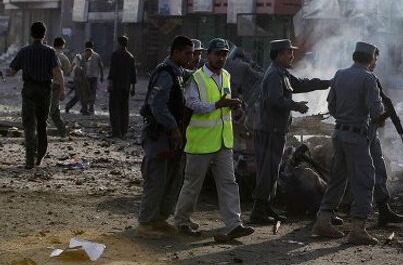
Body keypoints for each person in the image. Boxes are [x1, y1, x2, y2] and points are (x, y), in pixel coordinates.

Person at [173, 38, 255, 240]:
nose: (221, 58)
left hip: (223, 142)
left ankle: (234, 223)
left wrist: (232, 106)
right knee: (193, 185)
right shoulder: (197, 78)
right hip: (200, 144)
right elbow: (192, 104)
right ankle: (182, 221)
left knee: (229, 183)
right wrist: (217, 105)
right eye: (217, 54)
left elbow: (223, 102)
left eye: (224, 54)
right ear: (208, 55)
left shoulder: (226, 75)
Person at [250, 39, 331, 224]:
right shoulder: (273, 75)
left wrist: (327, 83)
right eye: (288, 52)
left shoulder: (282, 74)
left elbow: (302, 84)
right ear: (278, 55)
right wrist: (297, 106)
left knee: (273, 171)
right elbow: (274, 100)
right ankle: (257, 212)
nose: (292, 55)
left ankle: (266, 208)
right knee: (267, 171)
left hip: (275, 130)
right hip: (269, 131)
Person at [312, 41, 384, 245]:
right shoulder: (369, 78)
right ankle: (358, 229)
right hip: (356, 136)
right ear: (370, 59)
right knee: (364, 179)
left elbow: (331, 106)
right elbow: (375, 110)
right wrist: (380, 118)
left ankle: (323, 220)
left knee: (337, 178)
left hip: (339, 133)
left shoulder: (340, 74)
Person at [136, 35, 194, 239]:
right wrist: (172, 128)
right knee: (156, 179)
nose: (191, 57)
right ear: (176, 52)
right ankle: (145, 223)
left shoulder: (178, 72)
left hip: (171, 137)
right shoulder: (165, 72)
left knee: (172, 178)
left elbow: (192, 74)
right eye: (187, 53)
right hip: (158, 135)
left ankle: (159, 219)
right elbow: (157, 105)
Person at [6, 22, 65, 169]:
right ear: (44, 34)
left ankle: (29, 161)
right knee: (42, 126)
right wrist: (62, 89)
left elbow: (12, 72)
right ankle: (39, 159)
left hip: (29, 91)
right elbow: (57, 72)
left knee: (29, 126)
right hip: (45, 91)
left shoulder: (24, 51)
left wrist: (5, 73)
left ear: (31, 34)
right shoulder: (50, 52)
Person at [366, 52, 403, 227]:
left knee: (378, 168)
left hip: (366, 132)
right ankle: (356, 223)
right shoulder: (369, 79)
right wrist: (383, 116)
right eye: (375, 59)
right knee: (363, 174)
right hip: (362, 133)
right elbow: (377, 113)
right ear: (369, 59)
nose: (376, 63)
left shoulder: (345, 76)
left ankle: (383, 210)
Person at [108, 36, 137, 139]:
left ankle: (116, 132)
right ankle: (123, 131)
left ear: (119, 43)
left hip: (116, 87)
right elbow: (133, 74)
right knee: (124, 109)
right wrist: (133, 88)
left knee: (114, 109)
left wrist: (110, 83)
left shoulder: (115, 54)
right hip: (126, 87)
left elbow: (113, 70)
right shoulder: (130, 56)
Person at [51, 37, 72, 137]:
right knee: (53, 110)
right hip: (57, 85)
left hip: (45, 84)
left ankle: (62, 131)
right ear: (62, 45)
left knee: (52, 110)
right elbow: (67, 72)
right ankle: (62, 131)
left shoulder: (48, 53)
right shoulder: (63, 58)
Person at [82, 41, 104, 115]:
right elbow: (101, 66)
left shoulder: (83, 55)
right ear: (93, 47)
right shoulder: (97, 55)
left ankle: (85, 108)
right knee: (93, 93)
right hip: (94, 77)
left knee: (85, 93)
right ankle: (91, 108)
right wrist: (102, 76)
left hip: (86, 77)